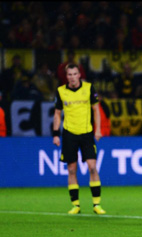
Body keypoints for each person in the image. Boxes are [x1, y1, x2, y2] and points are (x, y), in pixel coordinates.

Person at [52, 64, 106, 215]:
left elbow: (96, 109)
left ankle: (96, 204)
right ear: (66, 76)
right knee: (71, 169)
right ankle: (75, 205)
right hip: (69, 134)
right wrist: (55, 134)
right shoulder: (61, 91)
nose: (72, 77)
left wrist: (98, 129)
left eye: (75, 74)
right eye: (69, 74)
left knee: (92, 167)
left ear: (79, 75)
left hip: (87, 133)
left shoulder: (89, 88)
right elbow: (57, 113)